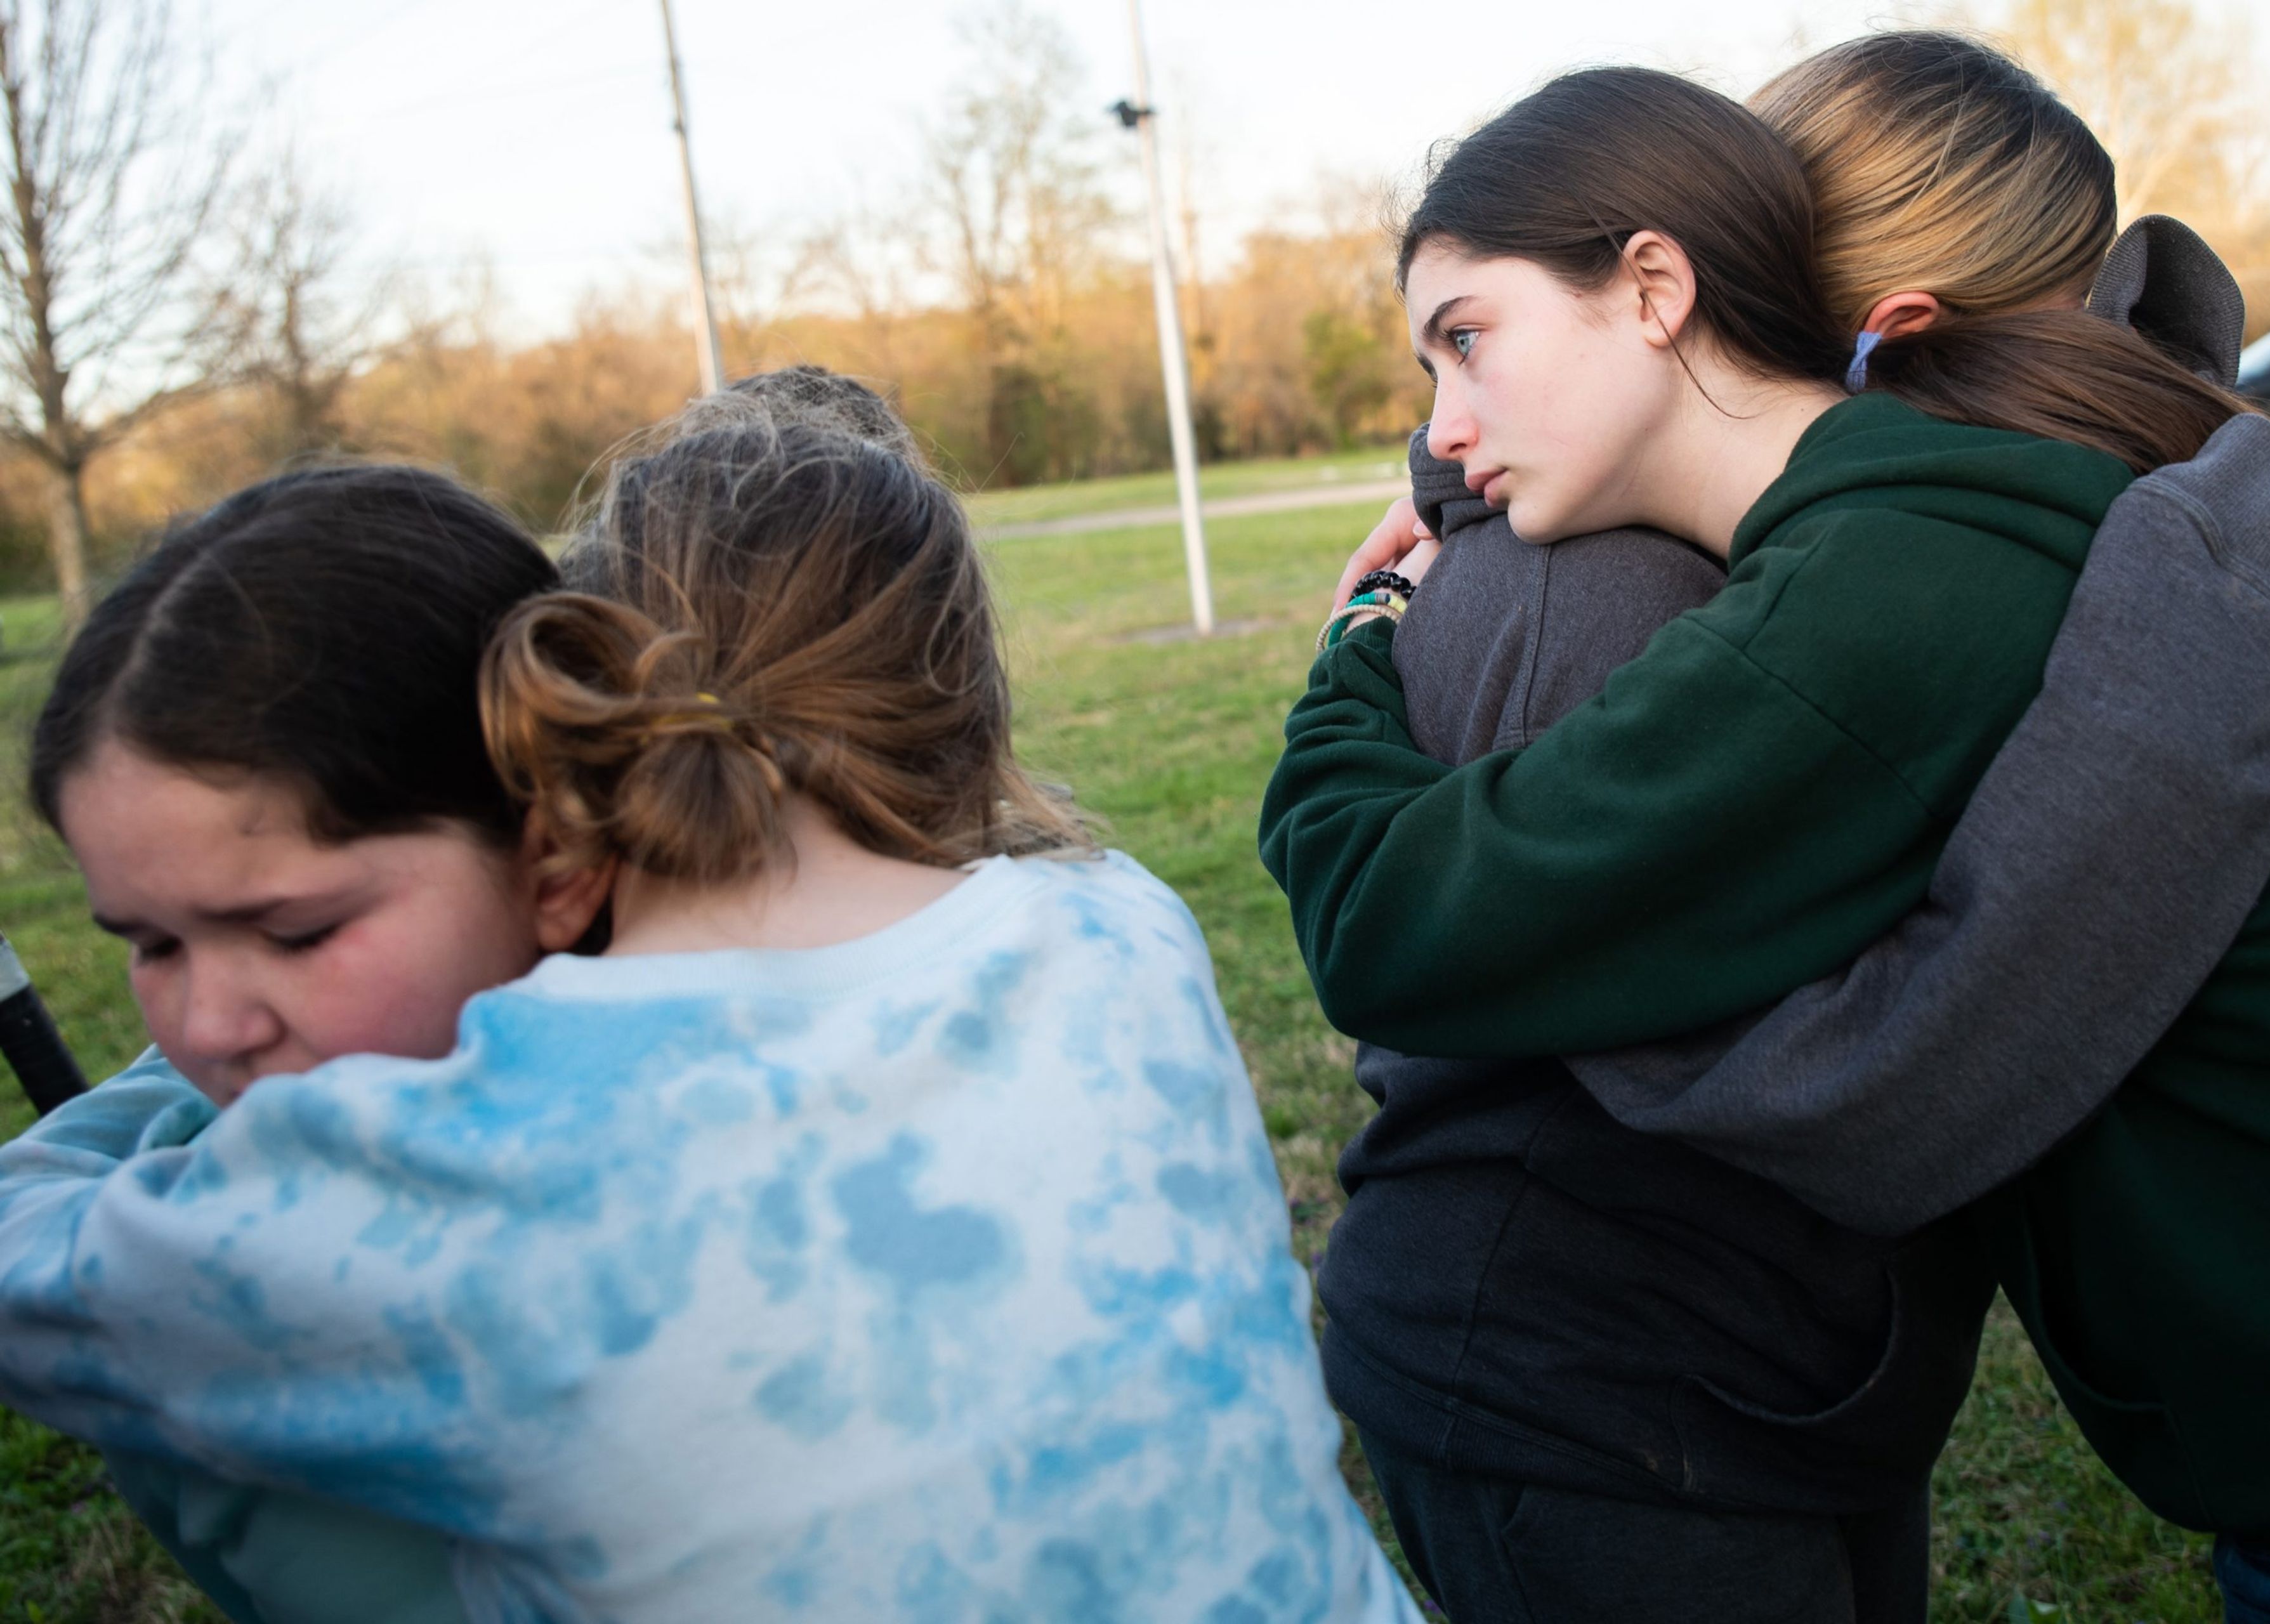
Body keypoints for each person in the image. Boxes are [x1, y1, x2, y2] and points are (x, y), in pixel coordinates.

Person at [1260, 60, 2270, 1624]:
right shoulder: (1973, 511)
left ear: (1662, 282)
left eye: (1466, 341)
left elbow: (1389, 923)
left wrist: (1360, 628)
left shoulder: (1891, 567)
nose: (1448, 423)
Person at [0, 409, 1419, 1623]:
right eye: (147, 947)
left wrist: (168, 1087)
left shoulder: (444, 1163)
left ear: (549, 834)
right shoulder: (1118, 914)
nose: (210, 1020)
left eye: (295, 931)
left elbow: (29, 1248)